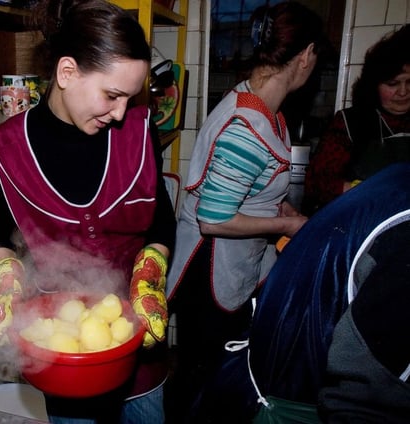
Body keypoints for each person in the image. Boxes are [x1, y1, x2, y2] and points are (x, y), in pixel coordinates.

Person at [0, 0, 177, 423]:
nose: (120, 113)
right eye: (112, 95)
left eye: (129, 98)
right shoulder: (4, 150)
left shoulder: (139, 131)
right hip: (64, 359)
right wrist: (8, 285)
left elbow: (161, 219)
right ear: (67, 72)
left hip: (139, 346)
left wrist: (148, 280)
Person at [164, 2, 324, 421]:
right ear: (306, 54)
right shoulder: (247, 128)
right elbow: (213, 219)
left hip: (231, 262)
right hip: (209, 271)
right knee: (201, 378)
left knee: (212, 372)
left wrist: (281, 207)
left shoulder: (261, 104)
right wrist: (287, 223)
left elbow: (249, 186)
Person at [188, 162, 410, 423]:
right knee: (197, 363)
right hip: (223, 273)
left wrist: (288, 216)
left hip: (270, 326)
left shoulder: (397, 179)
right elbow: (212, 220)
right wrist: (286, 225)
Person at [303, 24, 410, 215]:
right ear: (374, 86)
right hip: (362, 220)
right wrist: (367, 192)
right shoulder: (351, 123)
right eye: (392, 84)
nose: (403, 92)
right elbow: (317, 183)